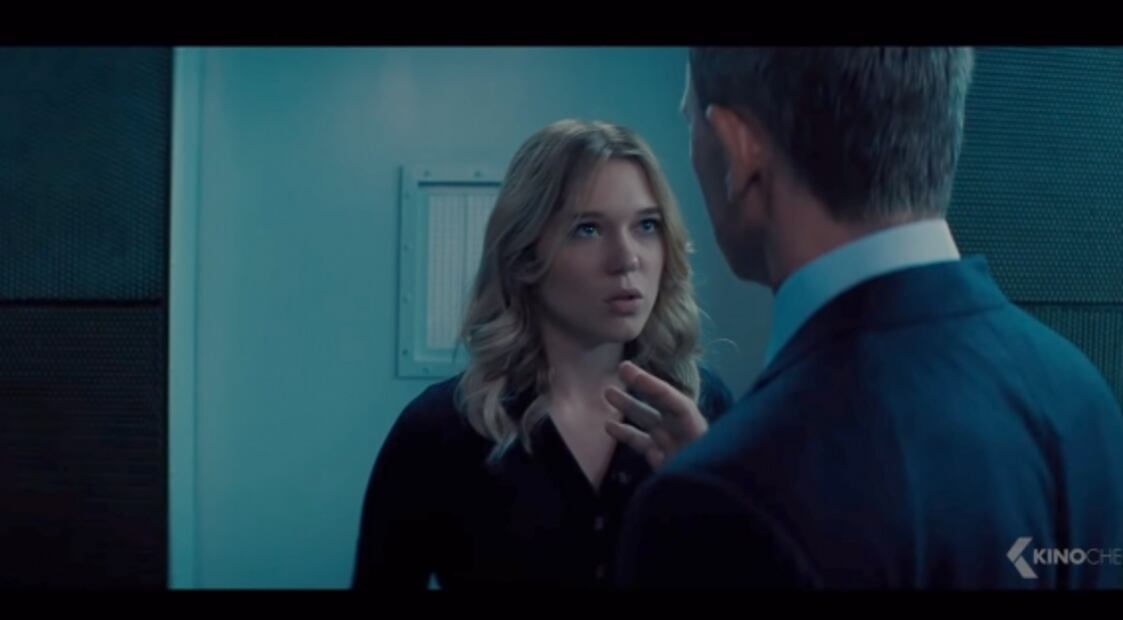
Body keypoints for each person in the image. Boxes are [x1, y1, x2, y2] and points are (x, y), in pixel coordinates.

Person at [611, 47, 1123, 589]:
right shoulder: (1080, 396)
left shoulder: (717, 502)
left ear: (740, 148)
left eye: (691, 121)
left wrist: (719, 509)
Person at [352, 119, 732, 589]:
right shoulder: (439, 430)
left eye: (646, 226)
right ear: (525, 256)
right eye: (588, 229)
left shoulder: (703, 409)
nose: (627, 258)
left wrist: (713, 500)